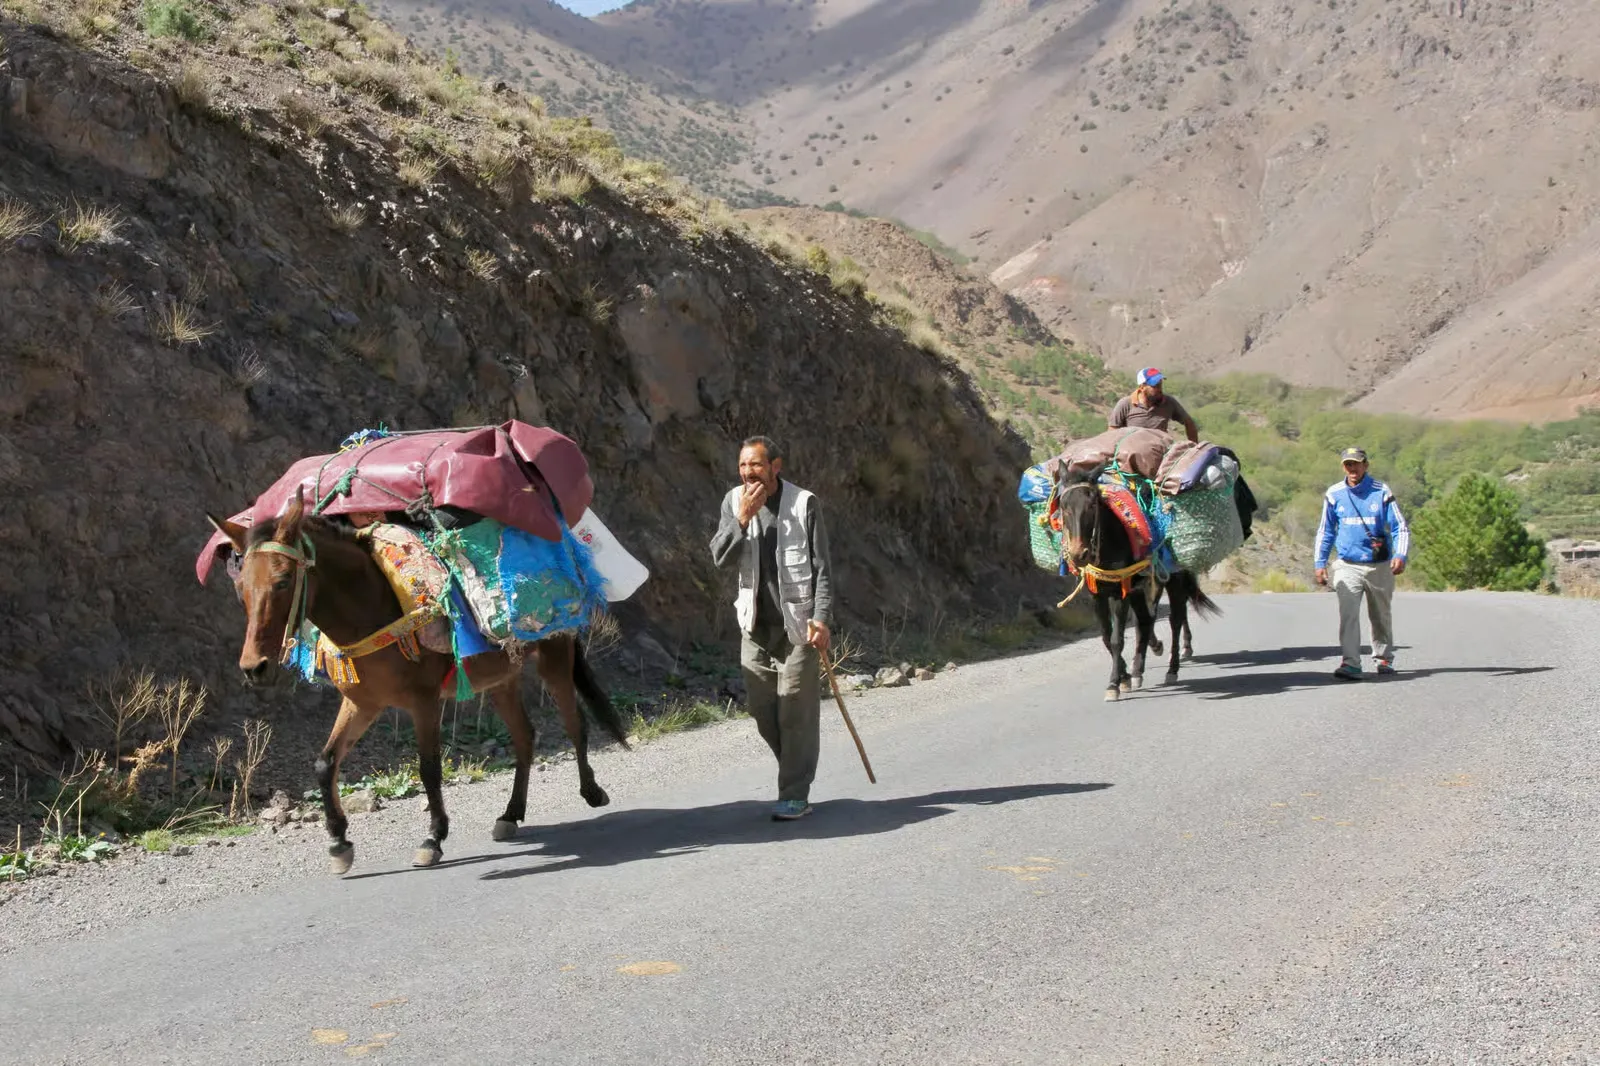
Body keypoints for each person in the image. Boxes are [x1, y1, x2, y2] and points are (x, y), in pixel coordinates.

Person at [709, 436, 835, 821]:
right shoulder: (734, 502)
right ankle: (795, 766)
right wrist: (743, 517)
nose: (749, 473)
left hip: (798, 627)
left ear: (776, 466)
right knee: (764, 712)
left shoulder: (803, 503)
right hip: (754, 626)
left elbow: (823, 569)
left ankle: (795, 792)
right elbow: (718, 556)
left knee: (796, 711)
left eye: (757, 465)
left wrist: (822, 618)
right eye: (744, 466)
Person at [1313, 447, 1411, 680]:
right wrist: (1320, 562)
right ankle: (1351, 662)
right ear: (1343, 467)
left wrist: (1401, 555)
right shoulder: (1334, 493)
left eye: (1356, 464)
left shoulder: (1381, 491)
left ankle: (1383, 657)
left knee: (1380, 614)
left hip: (1378, 565)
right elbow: (1326, 530)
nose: (1352, 469)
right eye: (1348, 464)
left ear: (1366, 465)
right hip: (1347, 564)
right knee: (1348, 613)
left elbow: (1399, 527)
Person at [1108, 367, 1200, 443]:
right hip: (1132, 453)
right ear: (1142, 387)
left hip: (1160, 452)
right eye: (1155, 386)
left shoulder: (1169, 402)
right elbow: (1112, 431)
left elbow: (1189, 423)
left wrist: (1194, 447)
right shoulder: (1125, 404)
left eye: (1160, 384)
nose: (1159, 389)